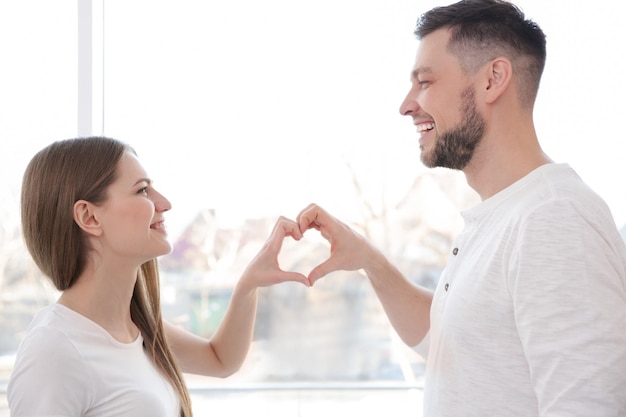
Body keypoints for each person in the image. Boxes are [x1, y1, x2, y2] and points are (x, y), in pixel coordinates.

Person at [296, 0, 626, 416]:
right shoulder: (502, 217)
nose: (406, 104)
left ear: (493, 79)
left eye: (425, 81)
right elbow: (449, 344)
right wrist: (369, 260)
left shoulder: (553, 220)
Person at [7, 137, 310, 416]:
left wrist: (250, 283)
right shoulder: (53, 351)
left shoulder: (138, 328)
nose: (164, 203)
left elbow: (221, 360)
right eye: (142, 190)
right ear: (89, 217)